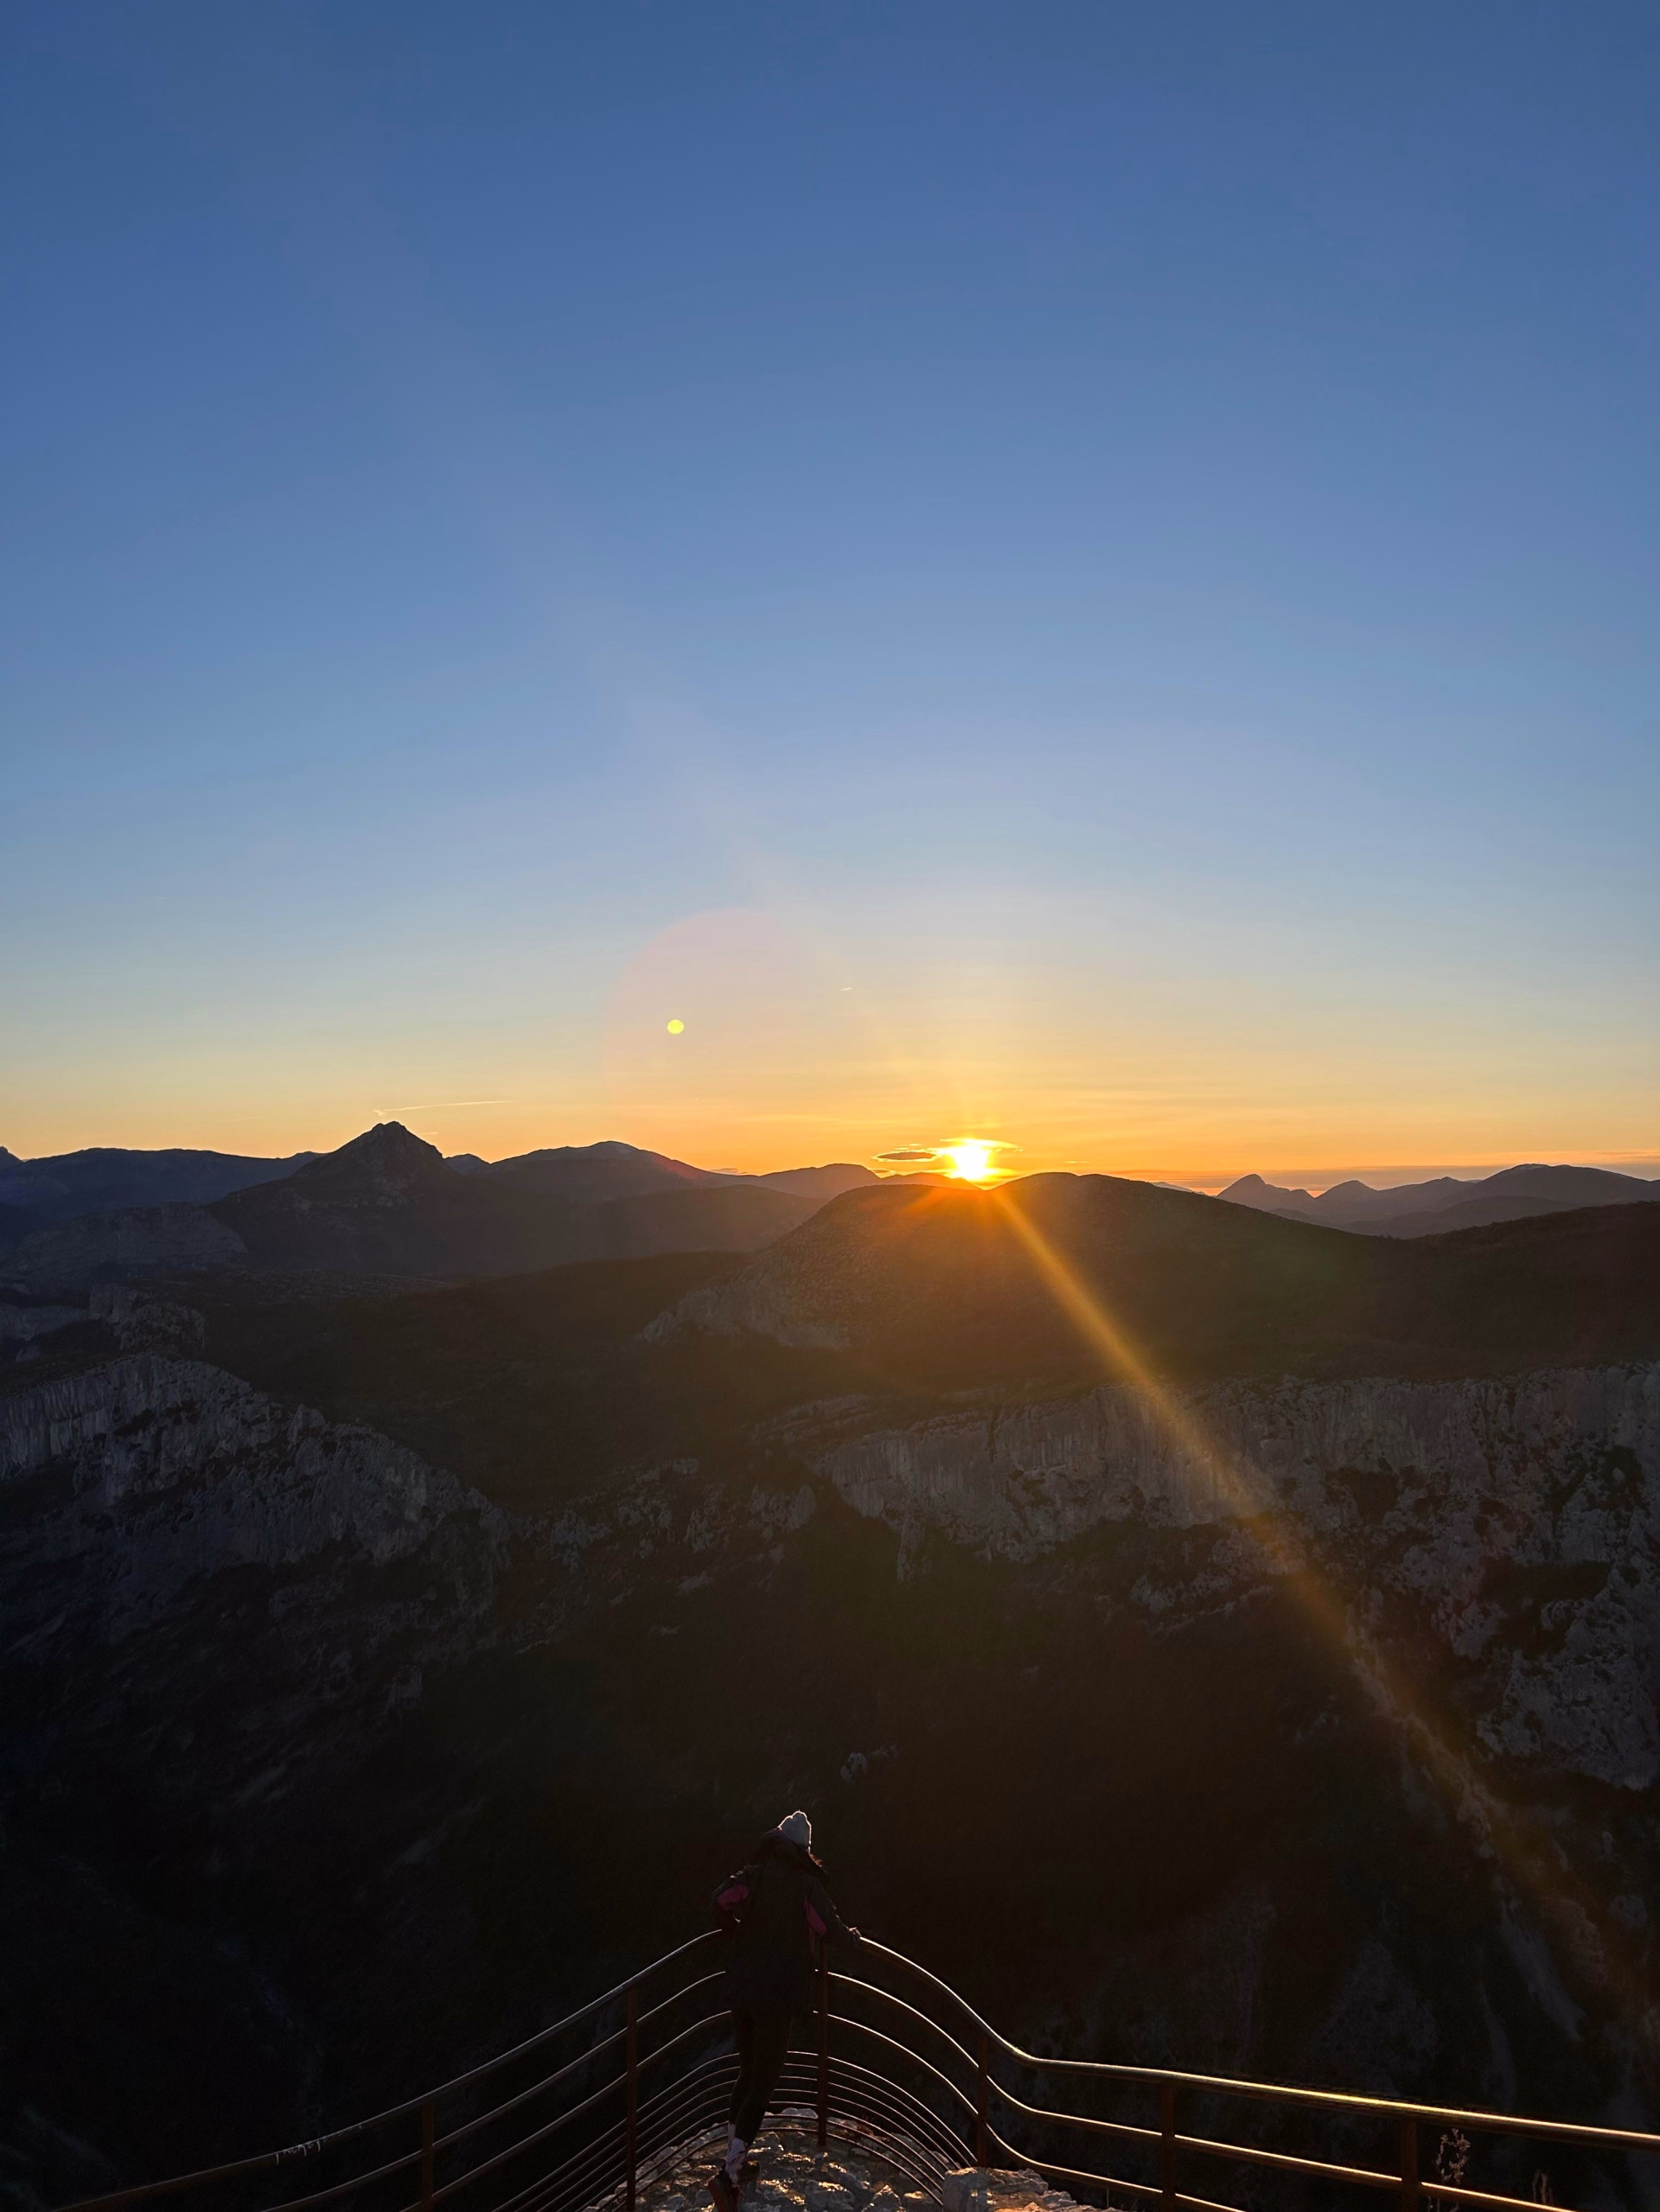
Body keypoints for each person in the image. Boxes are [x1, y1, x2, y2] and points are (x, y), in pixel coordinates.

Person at [708, 1810, 861, 2211]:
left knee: (746, 2072)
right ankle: (728, 2176)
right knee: (764, 2082)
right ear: (804, 1851)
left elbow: (720, 1899)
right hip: (777, 1993)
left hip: (743, 1986)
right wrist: (853, 1939)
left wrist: (735, 1931)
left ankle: (735, 2155)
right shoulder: (806, 1885)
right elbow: (829, 1929)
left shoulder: (755, 1874)